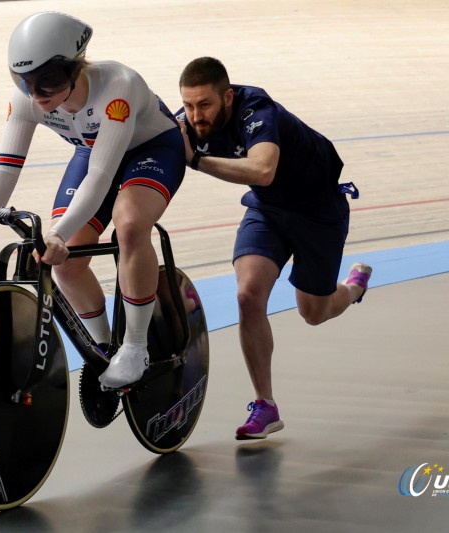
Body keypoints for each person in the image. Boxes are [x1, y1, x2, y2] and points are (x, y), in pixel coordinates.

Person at [0, 12, 186, 390]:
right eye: (25, 82)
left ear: (77, 69)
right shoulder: (27, 100)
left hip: (151, 150)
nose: (38, 94)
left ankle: (136, 347)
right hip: (94, 152)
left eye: (49, 82)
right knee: (68, 261)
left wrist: (56, 232)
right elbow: (6, 168)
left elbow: (101, 176)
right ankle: (103, 347)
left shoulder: (117, 86)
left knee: (129, 224)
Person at [176, 57, 373, 440]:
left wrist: (196, 160)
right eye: (188, 105)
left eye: (205, 105)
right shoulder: (187, 121)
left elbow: (263, 170)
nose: (196, 116)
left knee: (313, 312)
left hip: (319, 212)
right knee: (248, 295)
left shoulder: (256, 111)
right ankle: (265, 405)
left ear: (227, 97)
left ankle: (352, 289)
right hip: (267, 211)